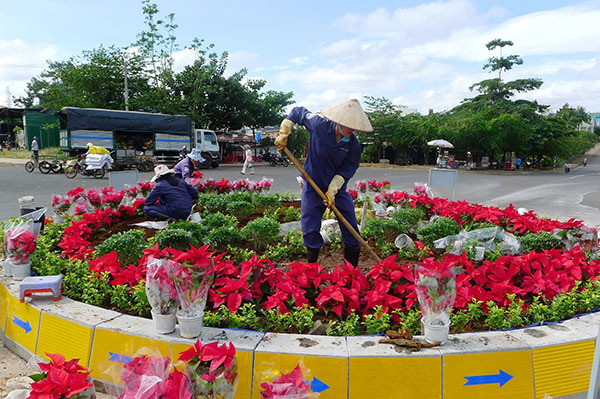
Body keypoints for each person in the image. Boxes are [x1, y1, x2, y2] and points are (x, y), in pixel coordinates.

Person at [275, 99, 373, 267]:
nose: (352, 129)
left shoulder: (353, 145)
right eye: (349, 125)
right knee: (310, 226)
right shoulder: (319, 125)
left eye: (355, 126)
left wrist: (333, 189)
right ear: (339, 121)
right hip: (312, 186)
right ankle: (312, 268)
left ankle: (352, 273)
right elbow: (298, 111)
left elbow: (347, 170)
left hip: (337, 190)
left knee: (350, 225)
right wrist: (285, 130)